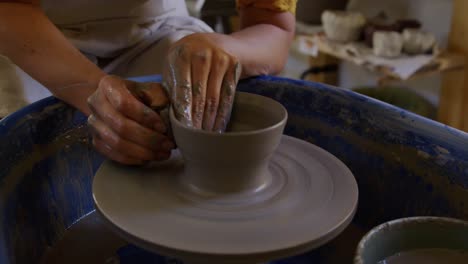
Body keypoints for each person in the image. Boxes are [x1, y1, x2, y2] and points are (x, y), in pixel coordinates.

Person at [0, 0, 296, 165]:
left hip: (158, 32)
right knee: (26, 152)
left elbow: (271, 25)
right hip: (33, 39)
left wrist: (223, 48)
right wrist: (94, 90)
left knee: (197, 123)